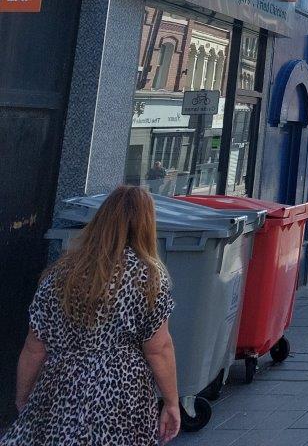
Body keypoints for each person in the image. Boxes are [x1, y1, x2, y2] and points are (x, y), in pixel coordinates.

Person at [3, 185, 180, 446]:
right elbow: (158, 348)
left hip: (61, 384)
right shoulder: (148, 276)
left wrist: (24, 396)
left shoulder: (60, 273)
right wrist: (171, 402)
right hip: (122, 391)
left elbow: (35, 346)